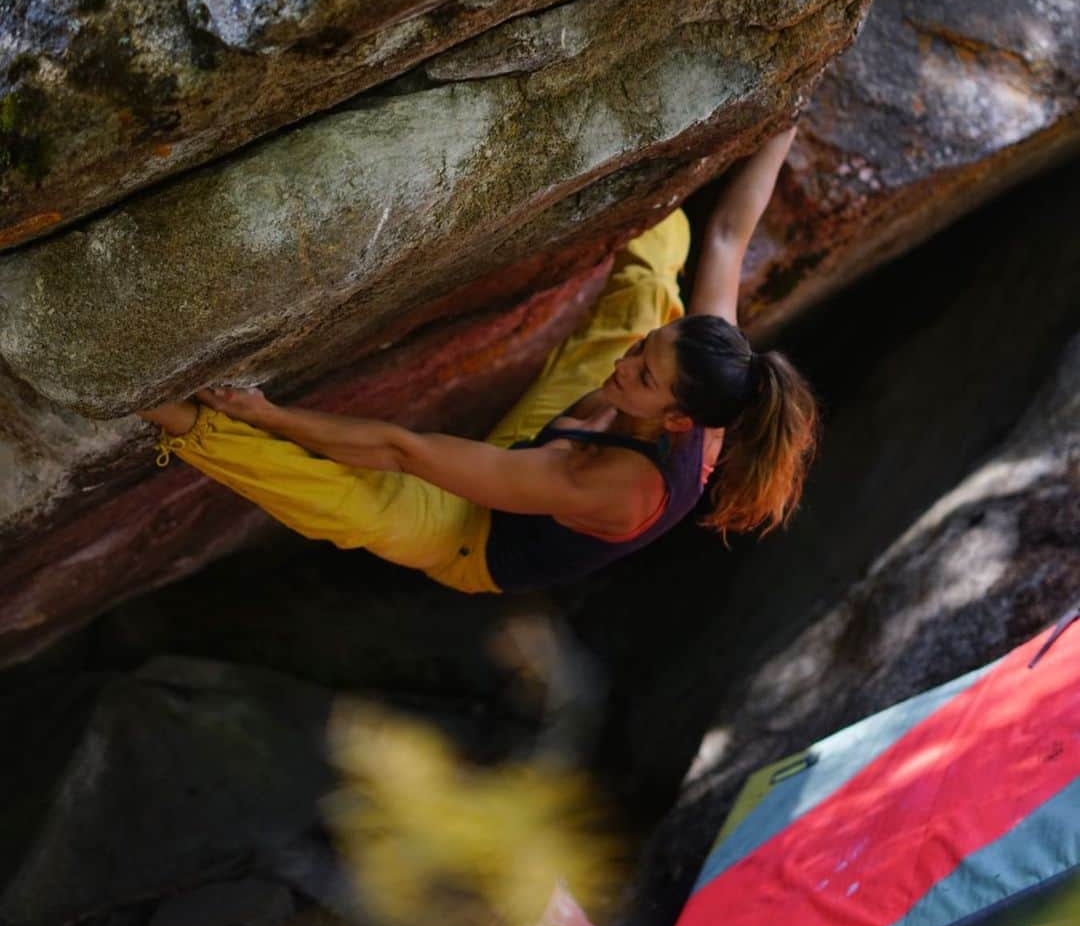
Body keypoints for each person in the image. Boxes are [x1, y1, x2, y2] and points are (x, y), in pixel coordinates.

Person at [140, 127, 817, 594]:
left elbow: (402, 451)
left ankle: (167, 412)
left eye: (646, 372)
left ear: (679, 419)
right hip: (579, 430)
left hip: (479, 535)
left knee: (355, 503)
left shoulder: (608, 485)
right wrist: (792, 97)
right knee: (653, 283)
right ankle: (633, 181)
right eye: (644, 352)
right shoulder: (716, 372)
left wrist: (272, 414)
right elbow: (728, 234)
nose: (631, 360)